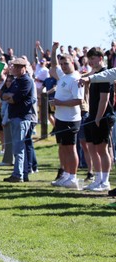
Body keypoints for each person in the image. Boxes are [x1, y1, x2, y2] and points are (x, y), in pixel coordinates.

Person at [49, 42, 84, 188]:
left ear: (73, 63)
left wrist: (59, 103)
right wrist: (54, 50)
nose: (63, 66)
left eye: (66, 63)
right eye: (62, 63)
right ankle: (66, 175)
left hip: (71, 119)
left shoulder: (75, 79)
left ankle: (73, 177)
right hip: (61, 118)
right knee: (63, 146)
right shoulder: (63, 76)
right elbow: (53, 66)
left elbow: (78, 100)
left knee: (71, 148)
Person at [81, 47, 113, 192]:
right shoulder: (93, 74)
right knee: (92, 148)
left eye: (93, 58)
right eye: (89, 59)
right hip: (92, 115)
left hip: (103, 116)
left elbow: (104, 99)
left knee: (102, 149)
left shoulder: (105, 75)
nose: (91, 62)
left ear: (100, 58)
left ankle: (105, 181)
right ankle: (98, 179)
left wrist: (99, 117)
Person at [2, 58, 33, 182]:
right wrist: (10, 97)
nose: (14, 69)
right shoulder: (15, 81)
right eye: (14, 67)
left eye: (17, 67)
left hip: (21, 118)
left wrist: (10, 97)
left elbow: (15, 99)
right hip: (14, 117)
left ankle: (18, 174)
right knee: (18, 147)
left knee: (18, 148)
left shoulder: (26, 82)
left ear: (23, 68)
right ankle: (21, 173)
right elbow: (4, 95)